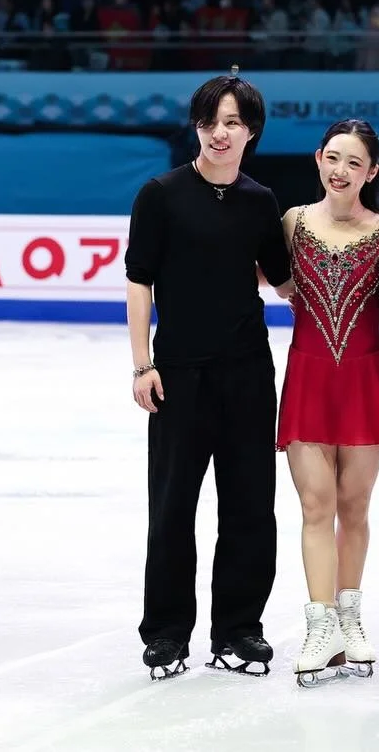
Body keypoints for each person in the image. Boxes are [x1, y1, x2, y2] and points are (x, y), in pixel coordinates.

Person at [124, 73, 293, 680]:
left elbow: (283, 281)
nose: (219, 133)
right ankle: (167, 633)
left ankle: (239, 630)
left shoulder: (260, 201)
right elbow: (139, 280)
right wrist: (143, 362)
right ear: (196, 127)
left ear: (251, 131)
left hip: (248, 372)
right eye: (209, 121)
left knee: (251, 505)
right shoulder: (161, 194)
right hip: (178, 375)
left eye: (232, 123)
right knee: (172, 507)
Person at [276, 118, 379, 687]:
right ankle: (319, 623)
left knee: (354, 506)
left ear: (371, 172)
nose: (341, 170)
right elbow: (273, 283)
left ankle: (350, 617)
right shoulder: (293, 223)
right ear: (318, 160)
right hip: (306, 376)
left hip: (363, 379)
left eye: (354, 162)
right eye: (333, 157)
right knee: (314, 505)